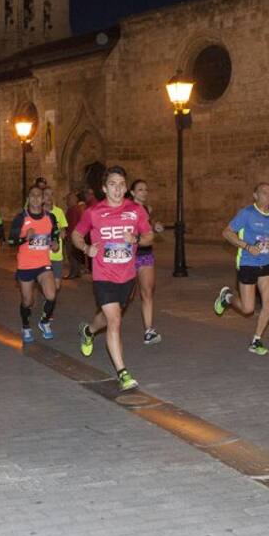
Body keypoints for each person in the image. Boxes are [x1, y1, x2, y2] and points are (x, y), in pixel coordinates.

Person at [71, 166, 152, 391]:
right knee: (115, 320)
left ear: (126, 188)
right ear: (104, 188)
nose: (117, 189)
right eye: (113, 184)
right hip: (103, 275)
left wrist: (135, 239)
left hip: (127, 276)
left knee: (107, 319)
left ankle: (89, 330)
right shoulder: (93, 212)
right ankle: (123, 373)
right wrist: (86, 248)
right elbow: (76, 234)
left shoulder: (136, 210)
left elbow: (149, 235)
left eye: (121, 185)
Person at [213, 182, 269, 356]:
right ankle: (227, 298)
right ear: (255, 196)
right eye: (264, 193)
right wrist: (247, 246)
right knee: (248, 309)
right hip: (247, 263)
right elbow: (227, 232)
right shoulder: (247, 213)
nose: (268, 196)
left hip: (266, 263)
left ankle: (256, 340)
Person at [7, 185, 57, 342]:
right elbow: (11, 241)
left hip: (43, 263)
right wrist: (24, 238)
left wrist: (55, 244)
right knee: (28, 301)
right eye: (32, 195)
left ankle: (44, 322)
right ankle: (26, 325)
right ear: (28, 199)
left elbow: (54, 236)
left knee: (51, 295)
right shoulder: (21, 218)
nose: (35, 198)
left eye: (38, 195)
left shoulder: (50, 217)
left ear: (43, 199)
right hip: (26, 265)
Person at [129, 179, 166, 345]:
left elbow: (147, 229)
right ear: (132, 192)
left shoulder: (147, 209)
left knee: (147, 292)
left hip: (145, 254)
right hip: (129, 256)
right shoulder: (127, 209)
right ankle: (110, 320)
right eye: (140, 189)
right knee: (127, 296)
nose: (144, 192)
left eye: (145, 189)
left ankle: (149, 330)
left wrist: (155, 227)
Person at [41, 184, 69, 290]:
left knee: (57, 285)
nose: (49, 197)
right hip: (42, 255)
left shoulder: (59, 212)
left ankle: (49, 294)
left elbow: (63, 227)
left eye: (51, 194)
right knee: (44, 283)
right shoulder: (39, 212)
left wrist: (62, 231)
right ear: (42, 197)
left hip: (56, 254)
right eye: (46, 194)